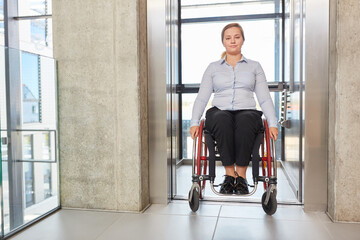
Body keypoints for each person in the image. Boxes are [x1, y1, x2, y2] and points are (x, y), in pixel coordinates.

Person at [189, 23, 278, 195]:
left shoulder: (255, 66)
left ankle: (241, 177)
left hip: (247, 110)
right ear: (223, 42)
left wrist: (272, 123)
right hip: (220, 111)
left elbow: (264, 97)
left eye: (237, 37)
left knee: (245, 120)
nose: (233, 41)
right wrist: (194, 122)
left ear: (243, 40)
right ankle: (230, 175)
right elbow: (202, 97)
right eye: (228, 38)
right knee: (222, 119)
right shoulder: (213, 68)